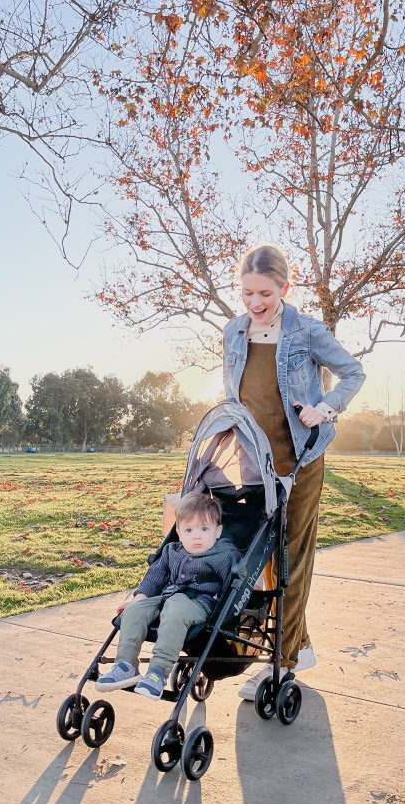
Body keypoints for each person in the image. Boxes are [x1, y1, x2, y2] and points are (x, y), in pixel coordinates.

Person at [223, 244, 366, 699]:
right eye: (247, 293)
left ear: (285, 288)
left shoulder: (306, 330)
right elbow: (237, 396)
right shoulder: (233, 332)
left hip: (300, 460)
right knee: (259, 556)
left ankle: (282, 662)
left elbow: (353, 373)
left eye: (264, 293)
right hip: (254, 460)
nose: (255, 303)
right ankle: (294, 644)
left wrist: (324, 408)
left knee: (291, 556)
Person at [96, 492, 240, 701]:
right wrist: (139, 598)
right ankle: (125, 665)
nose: (197, 536)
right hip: (167, 598)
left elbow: (234, 579)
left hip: (200, 603)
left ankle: (158, 672)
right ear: (179, 533)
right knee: (135, 610)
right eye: (189, 530)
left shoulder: (225, 554)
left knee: (175, 608)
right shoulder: (172, 550)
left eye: (204, 529)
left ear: (218, 532)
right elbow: (155, 576)